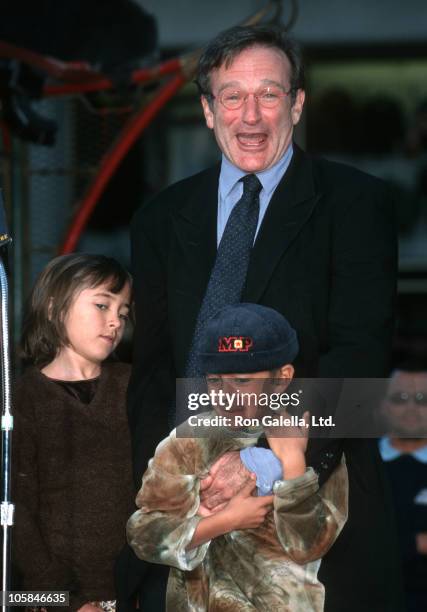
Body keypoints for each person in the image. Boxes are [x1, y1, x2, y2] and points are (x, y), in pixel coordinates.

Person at [126, 25, 403, 612]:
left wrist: (260, 461)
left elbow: (361, 360)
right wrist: (173, 490)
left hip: (314, 523)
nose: (251, 116)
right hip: (191, 532)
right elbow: (149, 374)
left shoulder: (356, 204)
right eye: (232, 96)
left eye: (269, 94)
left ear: (297, 104)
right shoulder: (160, 219)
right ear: (207, 109)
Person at [127, 303, 348, 611]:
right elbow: (143, 533)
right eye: (215, 381)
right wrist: (223, 522)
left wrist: (294, 463)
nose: (225, 395)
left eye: (242, 381)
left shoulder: (316, 438)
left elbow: (310, 546)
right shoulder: (191, 438)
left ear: (282, 378)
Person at [12, 253, 135, 612]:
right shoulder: (20, 399)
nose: (115, 322)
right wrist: (69, 602)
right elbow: (18, 512)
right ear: (54, 308)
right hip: (51, 598)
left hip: (131, 590)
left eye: (124, 314)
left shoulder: (134, 384)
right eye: (102, 305)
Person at [378, 364, 427, 612]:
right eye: (400, 398)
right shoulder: (355, 465)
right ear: (383, 405)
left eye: (422, 399)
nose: (411, 409)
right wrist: (415, 543)